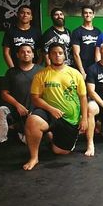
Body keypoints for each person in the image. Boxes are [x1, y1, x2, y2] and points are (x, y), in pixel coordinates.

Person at [23, 42, 88, 170]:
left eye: (60, 53)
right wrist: (51, 109)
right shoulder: (41, 75)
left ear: (65, 55)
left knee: (60, 151)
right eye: (54, 53)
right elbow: (35, 99)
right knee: (32, 121)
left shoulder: (75, 74)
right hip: (49, 113)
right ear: (49, 56)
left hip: (70, 118)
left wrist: (84, 118)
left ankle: (51, 136)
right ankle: (34, 157)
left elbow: (83, 97)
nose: (57, 56)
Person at [0, 44, 42, 143]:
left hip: (33, 111)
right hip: (15, 109)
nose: (26, 54)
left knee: (26, 141)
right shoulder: (11, 72)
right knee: (1, 111)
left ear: (33, 55)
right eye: (22, 52)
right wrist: (18, 105)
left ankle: (18, 129)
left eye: (28, 52)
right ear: (17, 55)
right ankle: (3, 140)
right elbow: (4, 93)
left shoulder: (41, 71)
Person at [71, 5, 101, 79]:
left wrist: (100, 69)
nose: (88, 15)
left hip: (94, 68)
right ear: (82, 15)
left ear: (93, 15)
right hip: (81, 69)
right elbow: (76, 54)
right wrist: (82, 71)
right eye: (85, 13)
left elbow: (100, 52)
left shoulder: (98, 32)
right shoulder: (77, 32)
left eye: (90, 13)